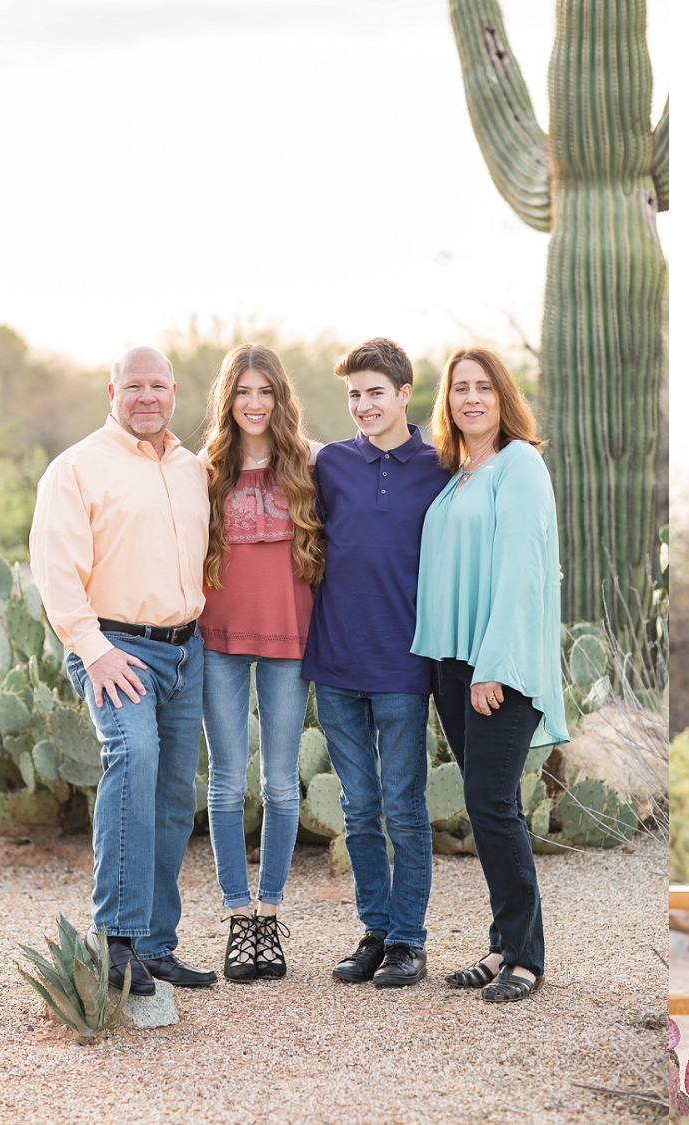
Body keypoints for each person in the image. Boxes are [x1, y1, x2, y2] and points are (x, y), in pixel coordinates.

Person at [29, 344, 218, 994]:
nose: (146, 396)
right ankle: (117, 941)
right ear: (112, 390)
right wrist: (93, 646)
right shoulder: (77, 467)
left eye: (157, 386)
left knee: (171, 798)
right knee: (131, 759)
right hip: (113, 647)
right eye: (133, 385)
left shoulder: (193, 469)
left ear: (173, 393)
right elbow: (55, 568)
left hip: (184, 649)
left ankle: (157, 946)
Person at [412, 347, 568, 1004]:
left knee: (492, 805)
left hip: (498, 668)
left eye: (483, 387)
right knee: (487, 807)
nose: (470, 398)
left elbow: (520, 572)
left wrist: (493, 666)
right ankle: (503, 942)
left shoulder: (519, 465)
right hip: (452, 665)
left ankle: (525, 958)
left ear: (504, 395)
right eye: (459, 388)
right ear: (447, 401)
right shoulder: (462, 474)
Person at [302, 337, 450, 988]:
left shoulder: (439, 464)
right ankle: (374, 930)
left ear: (404, 394)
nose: (362, 404)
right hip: (336, 660)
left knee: (404, 804)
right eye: (354, 394)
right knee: (359, 808)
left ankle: (408, 942)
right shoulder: (330, 464)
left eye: (374, 393)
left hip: (402, 663)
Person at [197, 344, 324, 982]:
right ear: (229, 400)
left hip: (289, 641)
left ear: (280, 398)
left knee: (279, 781)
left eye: (265, 392)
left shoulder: (309, 464)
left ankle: (269, 915)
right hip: (216, 638)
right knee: (225, 782)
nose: (254, 404)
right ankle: (235, 916)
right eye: (243, 393)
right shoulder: (206, 468)